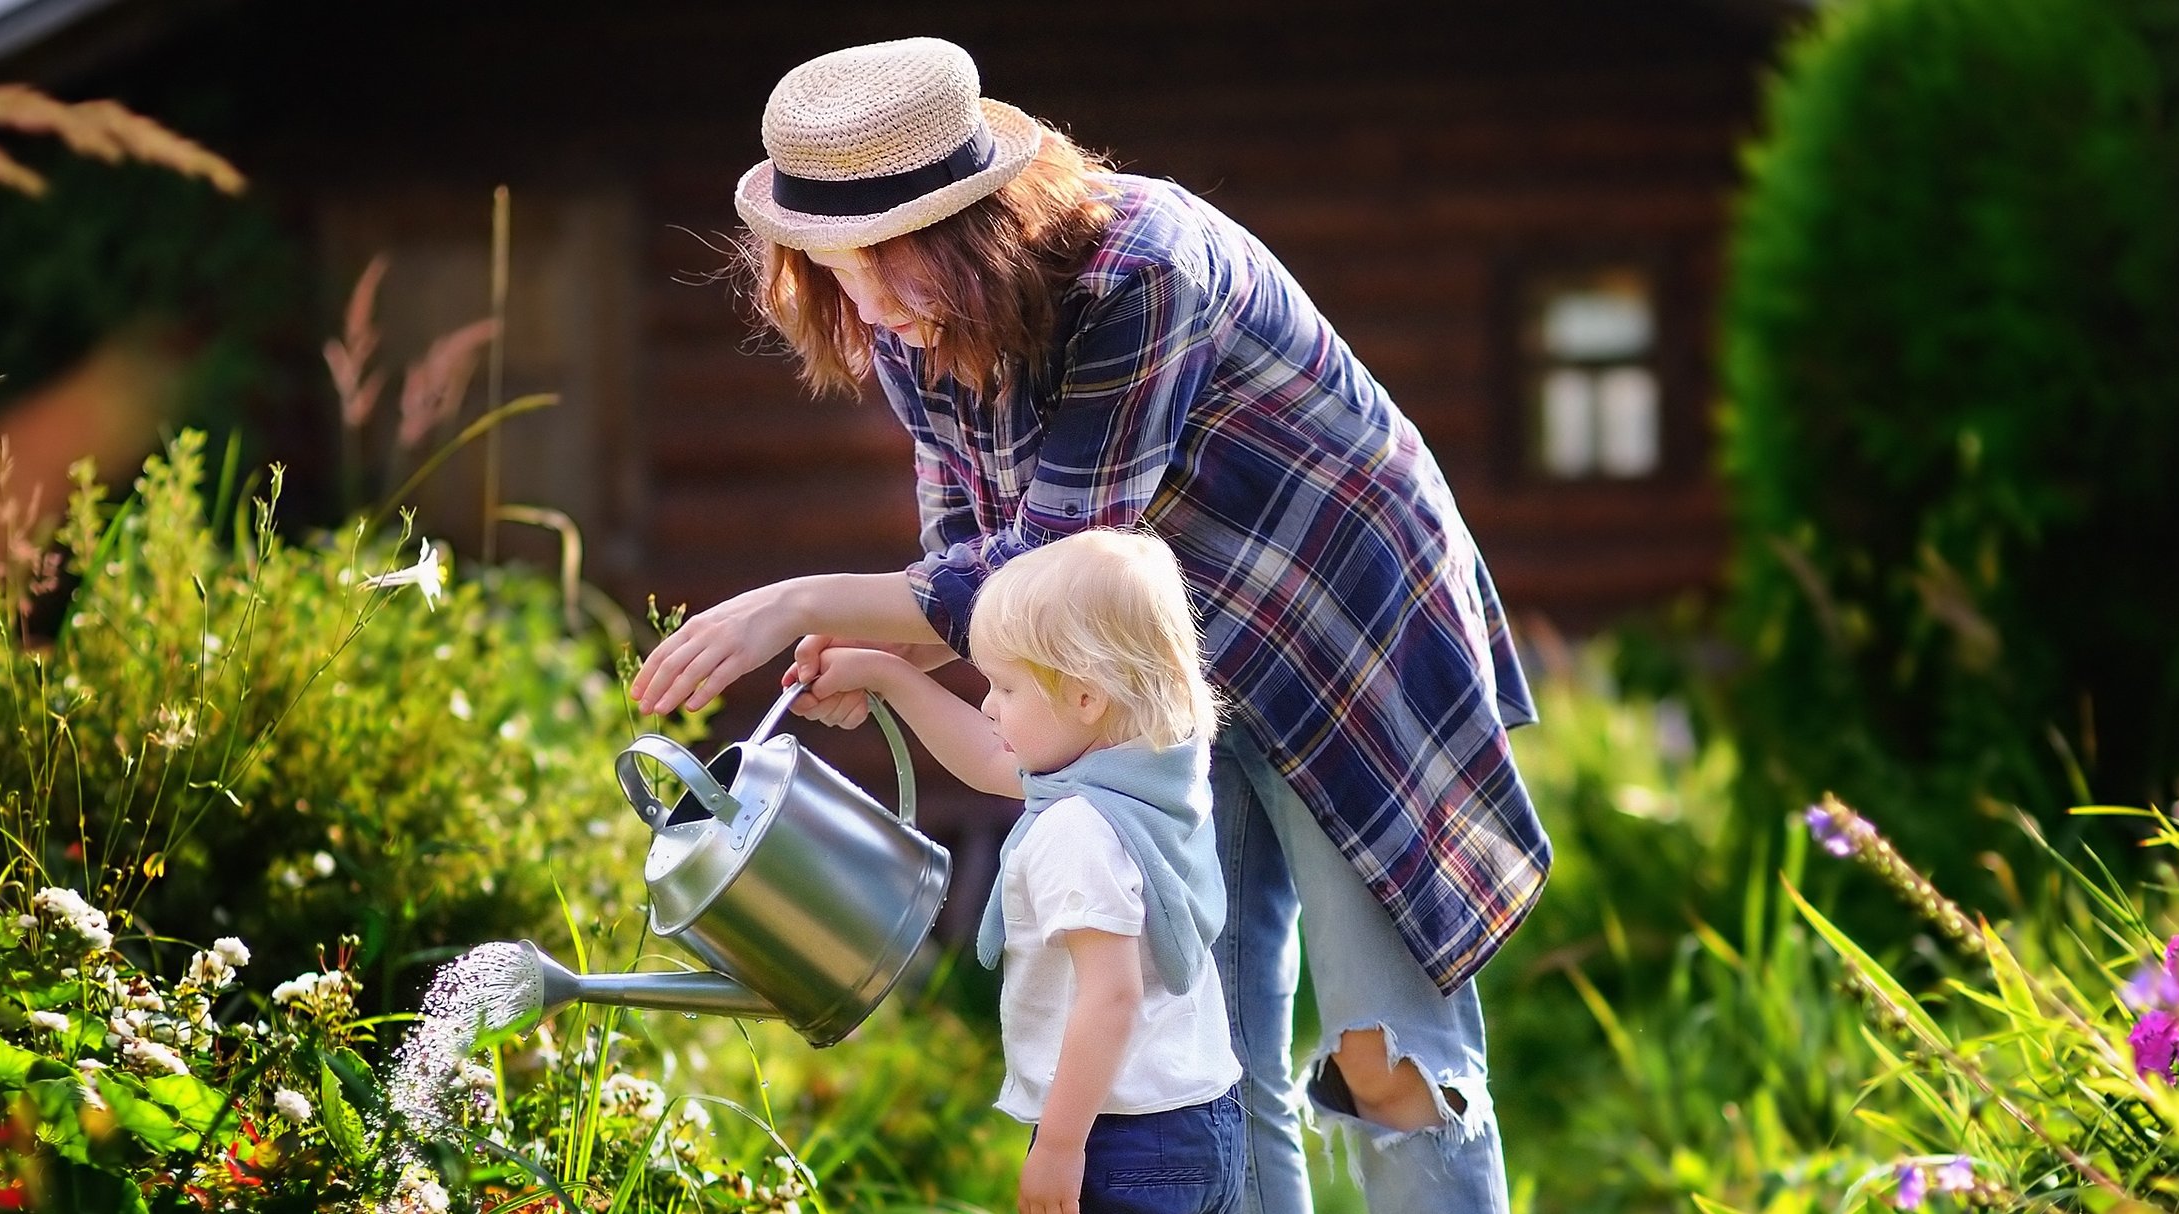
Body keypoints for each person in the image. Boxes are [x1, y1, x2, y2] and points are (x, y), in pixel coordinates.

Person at [628, 35, 1552, 1214]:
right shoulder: (916, 328)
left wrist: (799, 603)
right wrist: (886, 656)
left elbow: (1058, 556)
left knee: (1385, 1054)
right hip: (1154, 674)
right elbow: (980, 576)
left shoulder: (1142, 269)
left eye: (876, 259)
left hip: (1336, 637)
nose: (861, 302)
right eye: (828, 263)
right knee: (1207, 1045)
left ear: (967, 225)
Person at [790, 528, 1243, 1214]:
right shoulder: (1156, 775)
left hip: (1117, 1135)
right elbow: (992, 760)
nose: (988, 705)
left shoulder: (1078, 830)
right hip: (1199, 1118)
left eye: (1005, 686)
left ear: (1086, 700)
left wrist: (1059, 1146)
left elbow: (1109, 998)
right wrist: (887, 675)